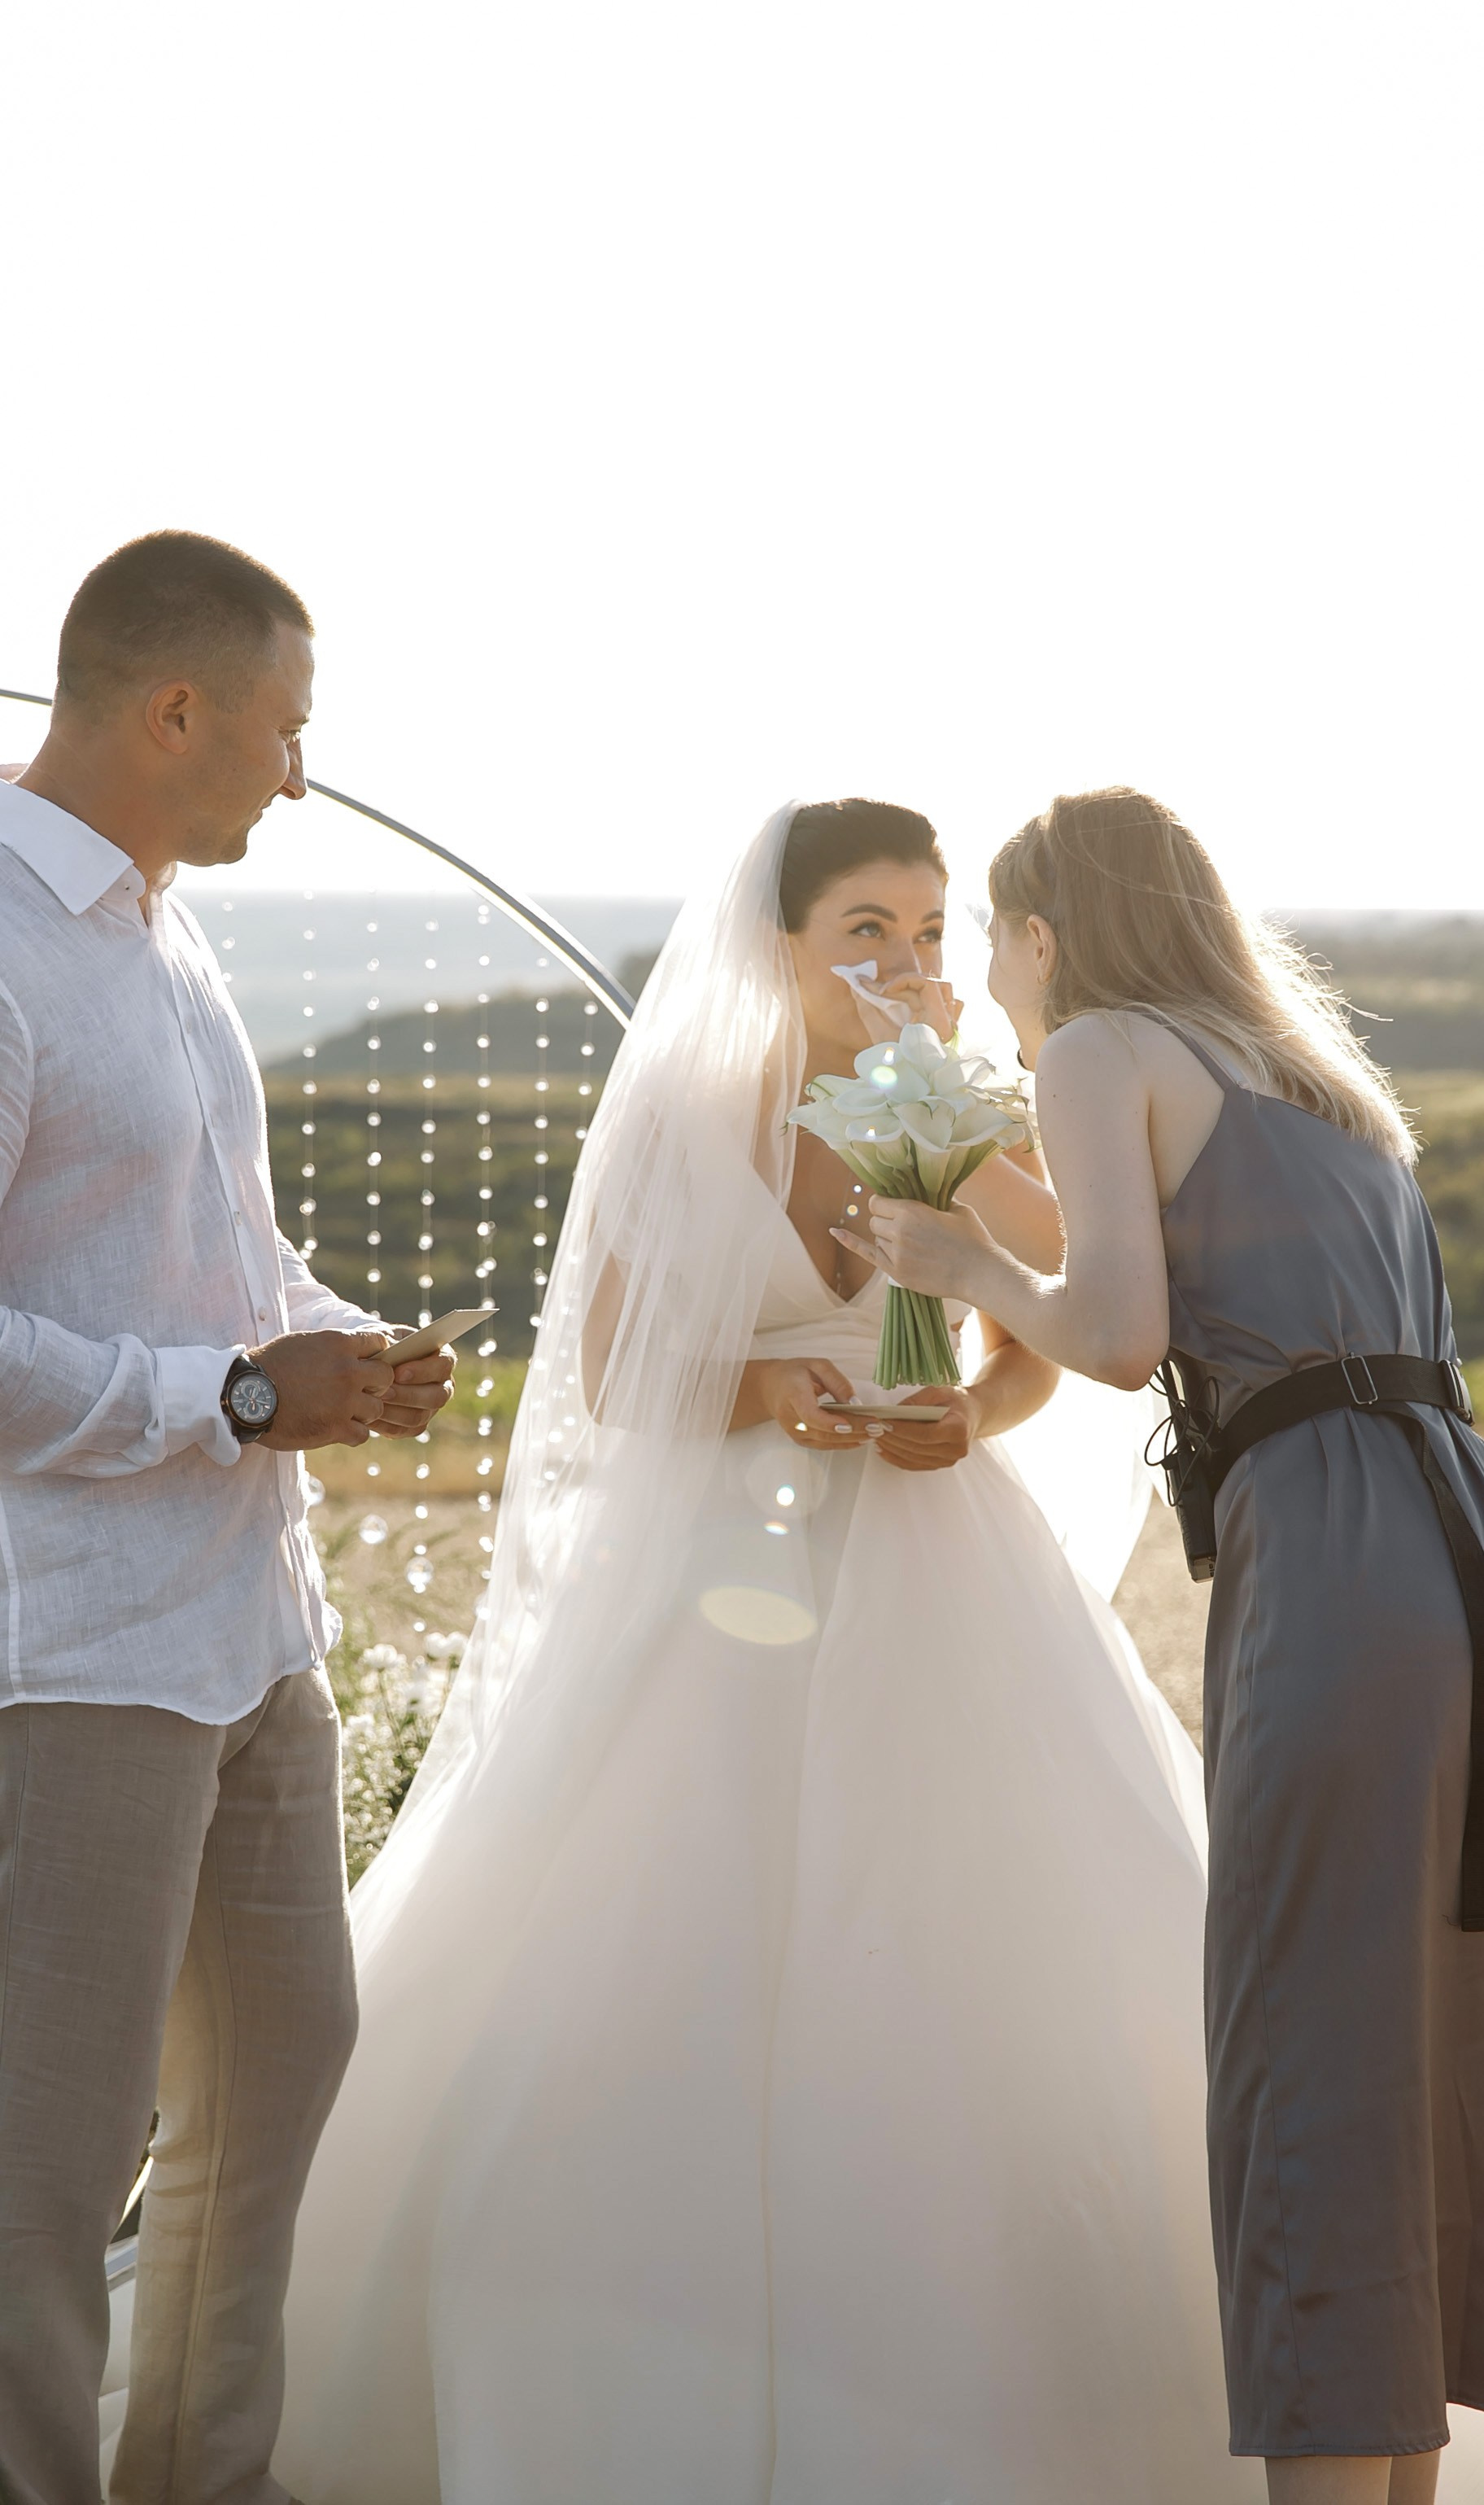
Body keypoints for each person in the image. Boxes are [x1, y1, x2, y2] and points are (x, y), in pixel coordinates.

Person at [274, 799, 1265, 2503]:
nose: (904, 963)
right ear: (783, 943)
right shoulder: (688, 1108)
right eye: (865, 929)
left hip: (943, 1562)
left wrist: (975, 1398)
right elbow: (602, 1368)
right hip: (735, 1572)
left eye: (933, 929)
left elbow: (1057, 1313)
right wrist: (764, 1387)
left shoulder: (952, 1099)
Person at [849, 786, 1484, 2504]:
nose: (989, 974)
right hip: (1478, 1552)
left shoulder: (1099, 1048)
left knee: (1307, 2058)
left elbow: (1119, 1326)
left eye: (992, 937)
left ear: (1049, 928)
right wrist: (942, 1128)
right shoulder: (1306, 1072)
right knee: (1432, 2035)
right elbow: (1183, 1244)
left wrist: (955, 1255)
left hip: (1340, 1562)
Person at [0, 531, 456, 2505]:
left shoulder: (169, 933)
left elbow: (215, 1257)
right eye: (281, 728)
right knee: (43, 2161)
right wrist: (239, 1399)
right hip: (77, 1651)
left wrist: (330, 1342)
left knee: (285, 2059)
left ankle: (204, 2478)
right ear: (172, 707)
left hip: (249, 1624)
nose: (296, 769)